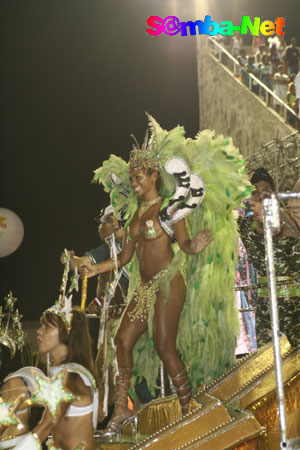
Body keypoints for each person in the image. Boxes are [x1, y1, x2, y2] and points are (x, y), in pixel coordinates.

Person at [80, 115, 249, 437]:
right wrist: (94, 268)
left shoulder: (171, 210)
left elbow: (183, 244)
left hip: (169, 282)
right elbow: (125, 258)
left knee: (163, 344)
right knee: (121, 340)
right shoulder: (133, 216)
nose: (134, 183)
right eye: (131, 177)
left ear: (155, 175)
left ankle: (189, 409)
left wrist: (194, 246)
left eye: (139, 176)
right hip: (144, 287)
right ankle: (120, 413)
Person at [238, 168, 300, 348]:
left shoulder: (290, 217)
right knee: (269, 365)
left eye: (266, 192)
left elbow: (280, 227)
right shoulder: (245, 226)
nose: (261, 198)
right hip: (268, 312)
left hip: (297, 308)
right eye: (255, 193)